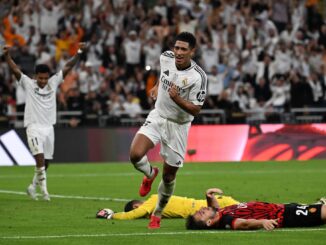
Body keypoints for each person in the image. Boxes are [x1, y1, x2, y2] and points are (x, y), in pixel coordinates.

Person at [129, 32, 207, 229]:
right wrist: (156, 87)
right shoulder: (166, 57)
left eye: (183, 49)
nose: (178, 52)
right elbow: (163, 75)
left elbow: (196, 109)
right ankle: (149, 174)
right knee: (135, 154)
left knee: (169, 177)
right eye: (177, 47)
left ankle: (157, 213)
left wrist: (177, 99)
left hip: (178, 127)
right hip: (158, 116)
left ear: (192, 51)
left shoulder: (198, 77)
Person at [2, 42, 87, 201]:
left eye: (45, 78)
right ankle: (45, 193)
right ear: (35, 77)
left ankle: (32, 187)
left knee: (46, 162)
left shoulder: (53, 83)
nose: (43, 81)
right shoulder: (28, 84)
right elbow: (15, 70)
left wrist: (80, 51)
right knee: (39, 159)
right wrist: (7, 56)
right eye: (40, 78)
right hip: (33, 127)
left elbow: (68, 66)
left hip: (49, 128)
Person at [186, 188, 326, 230]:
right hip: (287, 215)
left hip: (285, 207)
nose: (201, 209)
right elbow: (243, 223)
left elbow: (215, 209)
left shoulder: (221, 214)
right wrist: (262, 222)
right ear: (209, 222)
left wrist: (209, 196)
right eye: (201, 214)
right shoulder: (227, 220)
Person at [96, 188, 239, 220]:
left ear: (136, 205)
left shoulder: (152, 200)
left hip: (217, 206)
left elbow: (137, 213)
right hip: (213, 205)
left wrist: (113, 215)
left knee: (253, 213)